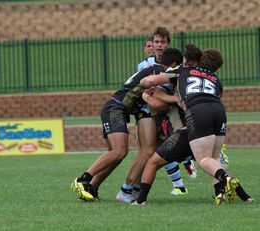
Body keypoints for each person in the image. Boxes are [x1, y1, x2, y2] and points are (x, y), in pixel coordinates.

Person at [137, 48, 249, 205]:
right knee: (214, 159)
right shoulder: (216, 79)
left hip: (196, 115)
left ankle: (140, 200)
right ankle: (240, 196)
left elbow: (149, 83)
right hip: (219, 112)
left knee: (202, 159)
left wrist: (144, 87)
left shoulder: (183, 70)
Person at [71, 48, 183, 201]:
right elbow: (155, 96)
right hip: (115, 108)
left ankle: (92, 188)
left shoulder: (153, 68)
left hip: (118, 109)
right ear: (175, 64)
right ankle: (82, 180)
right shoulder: (159, 72)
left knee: (115, 156)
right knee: (119, 152)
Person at [116, 26, 194, 203]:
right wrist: (147, 95)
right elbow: (145, 89)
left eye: (163, 42)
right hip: (147, 111)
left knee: (158, 153)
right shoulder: (147, 64)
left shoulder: (175, 63)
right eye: (156, 42)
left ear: (168, 43)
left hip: (165, 114)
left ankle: (133, 188)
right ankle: (127, 191)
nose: (159, 45)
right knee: (146, 151)